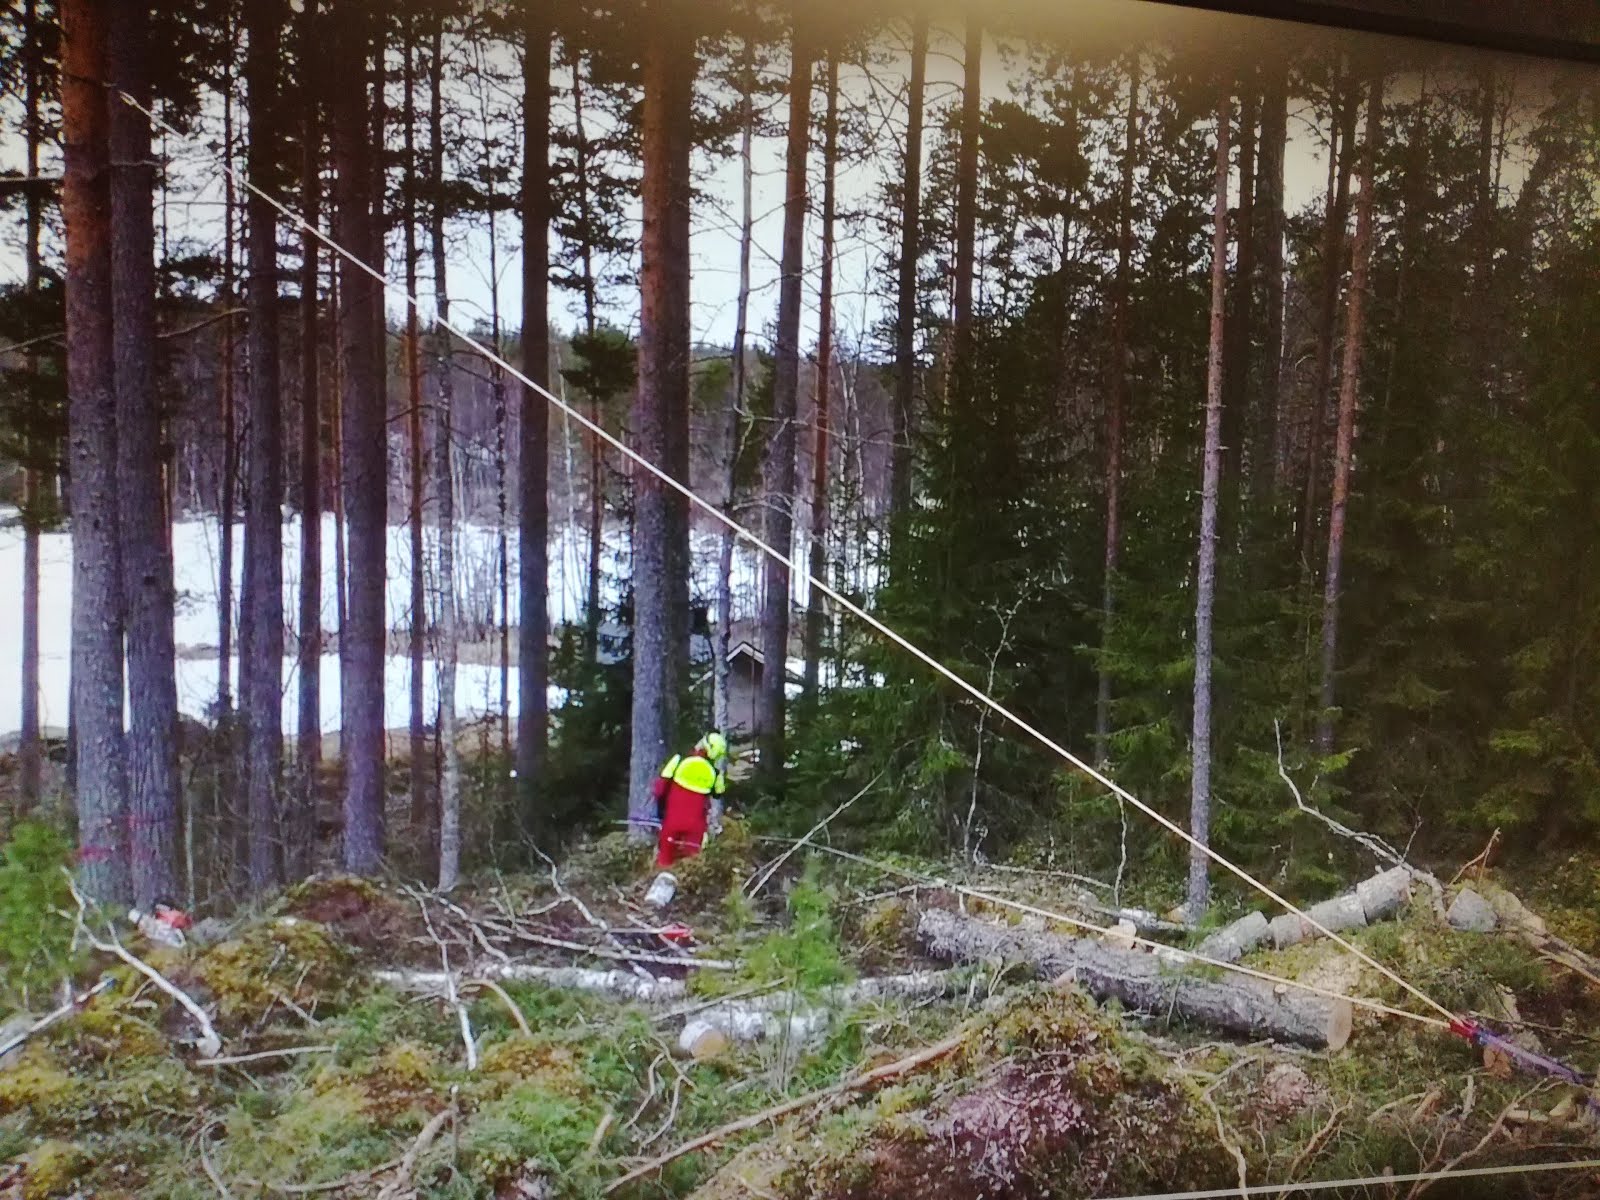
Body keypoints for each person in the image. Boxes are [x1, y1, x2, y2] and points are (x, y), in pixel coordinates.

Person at [652, 732, 728, 867]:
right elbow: (718, 793)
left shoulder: (679, 760)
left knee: (664, 862)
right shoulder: (715, 774)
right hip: (696, 828)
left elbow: (660, 789)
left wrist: (659, 811)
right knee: (691, 867)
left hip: (672, 822)